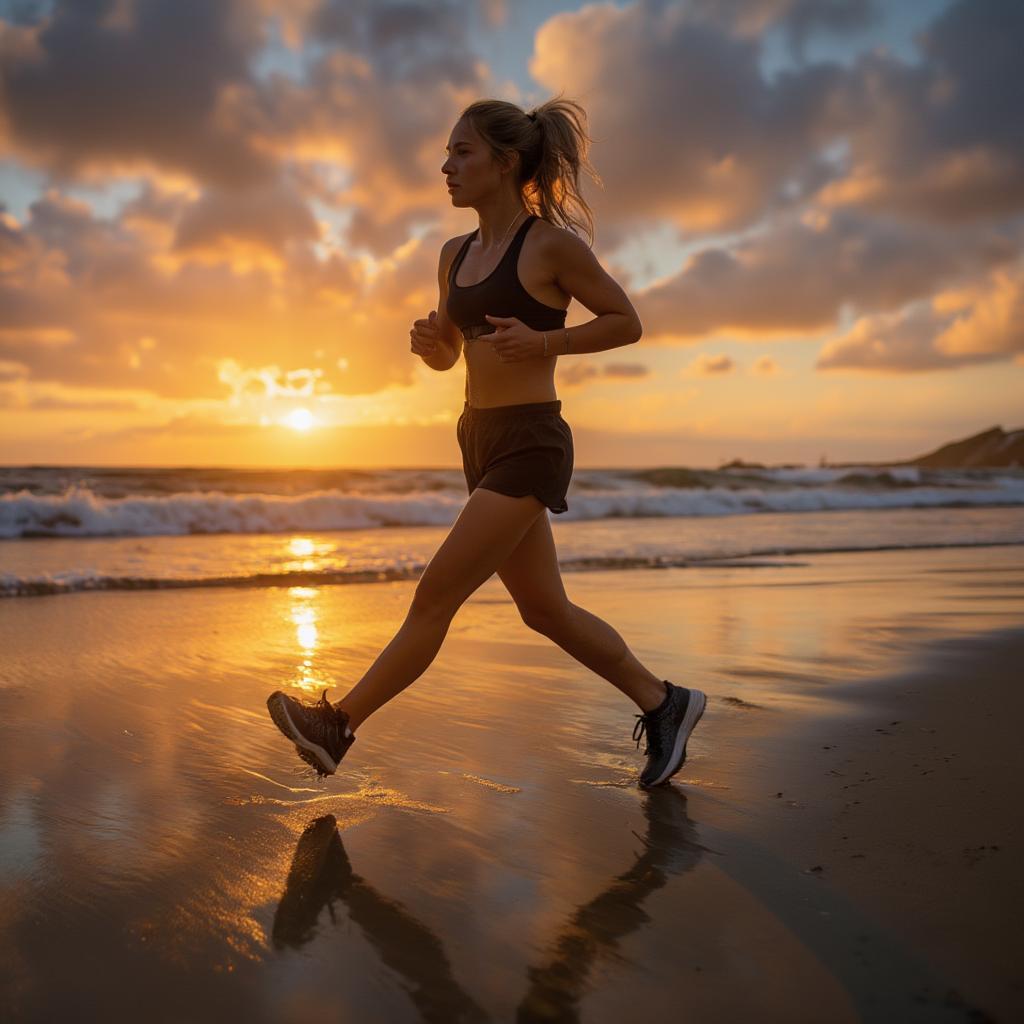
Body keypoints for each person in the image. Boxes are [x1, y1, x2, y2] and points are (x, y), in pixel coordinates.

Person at [266, 97, 706, 788]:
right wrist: (432, 346)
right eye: (446, 153)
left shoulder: (551, 245)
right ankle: (665, 703)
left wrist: (546, 340)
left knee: (434, 596)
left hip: (532, 440)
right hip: (478, 436)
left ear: (504, 162)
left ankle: (338, 725)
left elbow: (626, 321)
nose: (446, 167)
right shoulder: (455, 254)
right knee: (544, 610)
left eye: (461, 152)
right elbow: (450, 355)